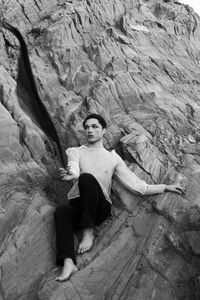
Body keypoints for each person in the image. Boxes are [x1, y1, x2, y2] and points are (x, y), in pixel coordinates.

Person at [54, 113, 185, 282]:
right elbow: (74, 169)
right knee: (61, 211)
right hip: (78, 204)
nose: (89, 130)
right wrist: (71, 174)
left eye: (94, 127)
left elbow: (137, 186)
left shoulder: (112, 158)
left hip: (99, 208)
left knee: (87, 179)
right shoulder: (76, 152)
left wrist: (165, 187)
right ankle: (68, 262)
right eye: (86, 127)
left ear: (104, 131)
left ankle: (88, 231)